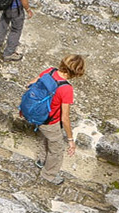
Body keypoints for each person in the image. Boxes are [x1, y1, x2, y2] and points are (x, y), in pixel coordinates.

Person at [24, 54, 85, 182]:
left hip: (39, 116)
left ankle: (41, 160)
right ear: (76, 72)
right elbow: (65, 118)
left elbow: (30, 84)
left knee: (46, 138)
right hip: (50, 121)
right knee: (57, 149)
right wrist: (70, 140)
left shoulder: (50, 71)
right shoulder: (66, 89)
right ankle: (49, 175)